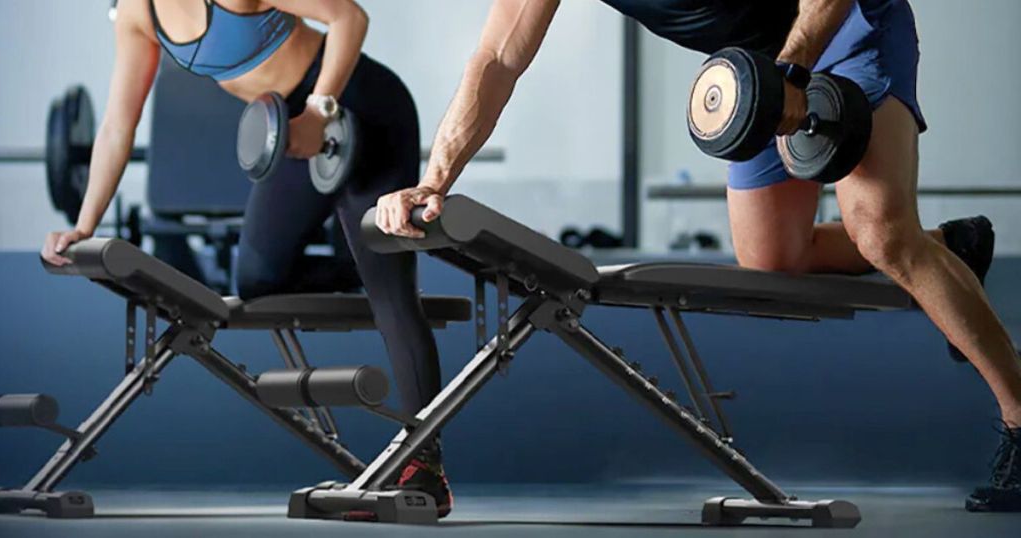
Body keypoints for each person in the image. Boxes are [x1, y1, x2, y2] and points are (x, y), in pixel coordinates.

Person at [374, 0, 1021, 512]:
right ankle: (951, 248)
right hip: (757, 67)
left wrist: (789, 75)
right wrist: (437, 180)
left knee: (880, 232)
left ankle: (1018, 418)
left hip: (847, 26)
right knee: (773, 258)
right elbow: (496, 60)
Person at [39, 0, 452, 516]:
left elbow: (350, 17)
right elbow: (118, 125)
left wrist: (320, 109)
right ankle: (359, 267)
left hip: (356, 104)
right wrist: (84, 226)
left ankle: (425, 470)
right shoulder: (137, 15)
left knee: (389, 290)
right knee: (259, 278)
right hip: (291, 125)